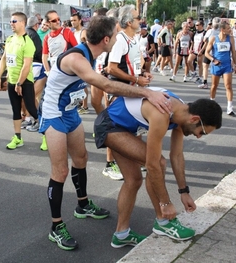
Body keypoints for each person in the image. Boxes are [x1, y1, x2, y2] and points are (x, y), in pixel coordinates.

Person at [39, 15, 172, 251]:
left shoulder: (90, 51)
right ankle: (56, 226)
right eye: (116, 33)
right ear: (107, 39)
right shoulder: (77, 58)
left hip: (70, 112)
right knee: (60, 171)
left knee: (81, 159)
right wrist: (146, 93)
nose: (119, 37)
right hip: (54, 114)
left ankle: (82, 205)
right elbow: (106, 85)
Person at [94, 89, 222, 247]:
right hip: (110, 125)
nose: (199, 136)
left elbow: (177, 155)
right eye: (201, 132)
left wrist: (184, 192)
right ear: (195, 119)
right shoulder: (162, 114)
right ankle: (163, 222)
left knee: (133, 180)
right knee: (158, 163)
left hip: (123, 127)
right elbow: (152, 164)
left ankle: (121, 234)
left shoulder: (181, 112)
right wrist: (165, 203)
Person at [106, 5, 153, 181]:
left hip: (133, 89)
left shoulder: (134, 39)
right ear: (128, 22)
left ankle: (136, 160)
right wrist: (136, 80)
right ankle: (110, 164)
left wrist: (142, 74)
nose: (140, 20)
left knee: (136, 125)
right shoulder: (120, 40)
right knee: (114, 128)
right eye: (137, 17)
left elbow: (134, 64)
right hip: (120, 90)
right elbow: (111, 68)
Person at [0, 12, 41, 150]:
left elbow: (26, 66)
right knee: (15, 110)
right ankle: (18, 138)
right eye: (10, 21)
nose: (11, 24)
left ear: (22, 23)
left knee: (31, 109)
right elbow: (4, 58)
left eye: (13, 21)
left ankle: (46, 135)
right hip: (11, 80)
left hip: (25, 81)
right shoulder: (10, 39)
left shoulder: (28, 42)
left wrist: (20, 83)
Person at [205, 20, 236, 116]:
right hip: (216, 65)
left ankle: (230, 108)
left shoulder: (230, 38)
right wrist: (213, 60)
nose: (230, 30)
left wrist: (235, 65)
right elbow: (207, 53)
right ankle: (211, 104)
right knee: (214, 86)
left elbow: (233, 53)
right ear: (222, 30)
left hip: (227, 65)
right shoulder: (213, 39)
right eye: (228, 29)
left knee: (228, 85)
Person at [70, 12, 89, 114]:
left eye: (74, 20)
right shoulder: (72, 32)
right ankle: (79, 103)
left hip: (83, 60)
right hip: (74, 61)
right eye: (71, 20)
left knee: (82, 84)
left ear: (80, 20)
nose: (72, 22)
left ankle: (85, 106)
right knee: (76, 83)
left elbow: (88, 45)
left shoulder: (83, 31)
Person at [198, 17, 221, 89]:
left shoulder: (210, 31)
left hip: (209, 52)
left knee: (205, 66)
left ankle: (205, 82)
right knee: (213, 67)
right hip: (217, 52)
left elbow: (204, 40)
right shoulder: (221, 31)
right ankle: (213, 83)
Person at [188, 21, 206, 85]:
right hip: (194, 50)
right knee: (189, 61)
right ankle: (193, 73)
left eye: (197, 25)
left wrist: (202, 50)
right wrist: (190, 48)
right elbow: (192, 42)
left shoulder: (204, 33)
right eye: (195, 25)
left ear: (201, 25)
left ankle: (200, 77)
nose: (196, 26)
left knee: (199, 64)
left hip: (201, 50)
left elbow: (206, 43)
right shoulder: (195, 33)